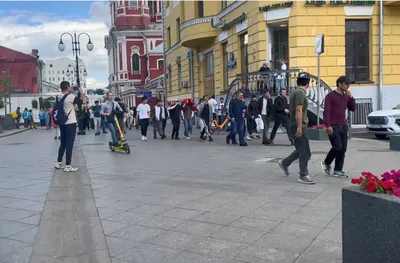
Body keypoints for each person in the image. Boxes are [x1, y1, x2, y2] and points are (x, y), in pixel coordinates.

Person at [278, 73, 314, 185]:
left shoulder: (295, 92)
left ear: (298, 81)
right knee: (306, 152)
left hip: (294, 123)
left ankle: (285, 163)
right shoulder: (300, 93)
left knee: (300, 149)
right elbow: (299, 111)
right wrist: (299, 128)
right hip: (299, 124)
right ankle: (303, 175)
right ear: (308, 83)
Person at [321, 76, 356, 178]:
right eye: (346, 84)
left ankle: (338, 170)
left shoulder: (346, 96)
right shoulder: (330, 96)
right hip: (333, 125)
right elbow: (326, 111)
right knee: (337, 147)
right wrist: (328, 125)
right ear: (339, 84)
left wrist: (351, 97)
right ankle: (327, 162)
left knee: (343, 149)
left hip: (343, 125)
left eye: (349, 84)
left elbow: (353, 108)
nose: (348, 86)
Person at [54, 81, 86, 172]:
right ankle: (68, 165)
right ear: (68, 88)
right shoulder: (71, 97)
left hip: (62, 124)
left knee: (63, 144)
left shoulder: (58, 97)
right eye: (70, 87)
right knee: (69, 145)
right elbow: (83, 101)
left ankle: (58, 162)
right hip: (70, 123)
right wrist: (81, 91)